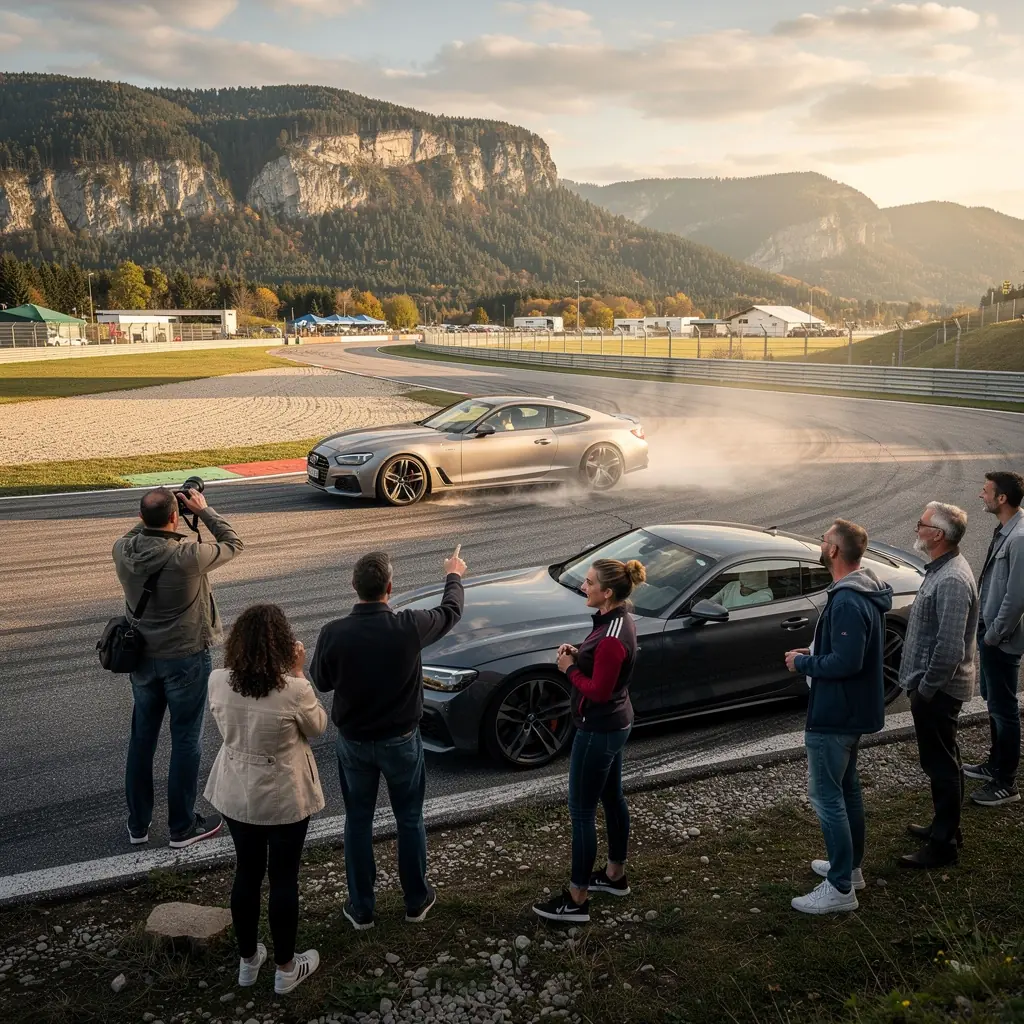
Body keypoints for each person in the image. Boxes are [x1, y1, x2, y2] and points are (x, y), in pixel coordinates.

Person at [310, 546, 466, 930]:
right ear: (390, 588)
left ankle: (361, 908)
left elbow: (322, 681)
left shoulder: (333, 633)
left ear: (353, 586)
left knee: (358, 821)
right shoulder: (409, 625)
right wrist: (454, 575)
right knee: (409, 818)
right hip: (402, 740)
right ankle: (416, 900)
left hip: (355, 742)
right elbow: (451, 613)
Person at [204, 605, 326, 995]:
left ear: (238, 644)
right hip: (285, 794)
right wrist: (297, 672)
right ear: (283, 645)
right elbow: (319, 727)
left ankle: (247, 961)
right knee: (283, 878)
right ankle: (286, 967)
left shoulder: (218, 680)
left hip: (237, 790)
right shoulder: (294, 689)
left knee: (247, 873)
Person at [113, 484, 242, 848]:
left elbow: (139, 528)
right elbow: (234, 543)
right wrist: (202, 509)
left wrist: (159, 512)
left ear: (141, 517)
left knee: (142, 739)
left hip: (141, 660)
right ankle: (182, 827)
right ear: (175, 517)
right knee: (186, 740)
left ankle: (138, 824)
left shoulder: (122, 550)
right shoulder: (187, 556)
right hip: (185, 658)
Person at [784, 520, 892, 915]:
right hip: (852, 710)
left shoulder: (847, 600)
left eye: (824, 539)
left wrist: (803, 662)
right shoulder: (863, 590)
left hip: (835, 714)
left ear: (833, 551)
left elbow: (847, 661)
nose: (820, 543)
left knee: (827, 797)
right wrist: (814, 652)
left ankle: (841, 887)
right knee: (847, 791)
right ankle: (851, 868)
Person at [533, 558, 645, 924]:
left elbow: (598, 691)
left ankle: (577, 899)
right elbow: (603, 667)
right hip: (615, 724)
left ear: (607, 592)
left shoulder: (613, 636)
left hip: (599, 729)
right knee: (612, 798)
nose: (584, 586)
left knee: (582, 812)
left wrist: (569, 670)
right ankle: (615, 876)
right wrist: (580, 656)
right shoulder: (618, 619)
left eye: (590, 582)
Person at [899, 502, 978, 868]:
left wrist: (925, 691)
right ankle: (946, 827)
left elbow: (948, 650)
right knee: (946, 759)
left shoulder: (950, 580)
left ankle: (943, 844)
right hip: (934, 690)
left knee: (941, 765)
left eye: (922, 524)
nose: (917, 528)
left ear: (938, 535)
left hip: (938, 692)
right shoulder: (942, 568)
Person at [965, 471, 1024, 807]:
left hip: (1000, 638)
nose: (981, 495)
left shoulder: (1019, 538)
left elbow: (1017, 598)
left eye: (986, 491)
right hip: (990, 633)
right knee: (994, 703)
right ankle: (994, 765)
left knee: (1004, 710)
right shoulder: (1007, 530)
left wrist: (994, 635)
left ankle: (1006, 783)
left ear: (1002, 498)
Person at [709, 569, 774, 609]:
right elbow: (711, 603)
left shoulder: (763, 598)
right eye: (741, 583)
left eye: (744, 585)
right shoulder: (732, 586)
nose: (740, 585)